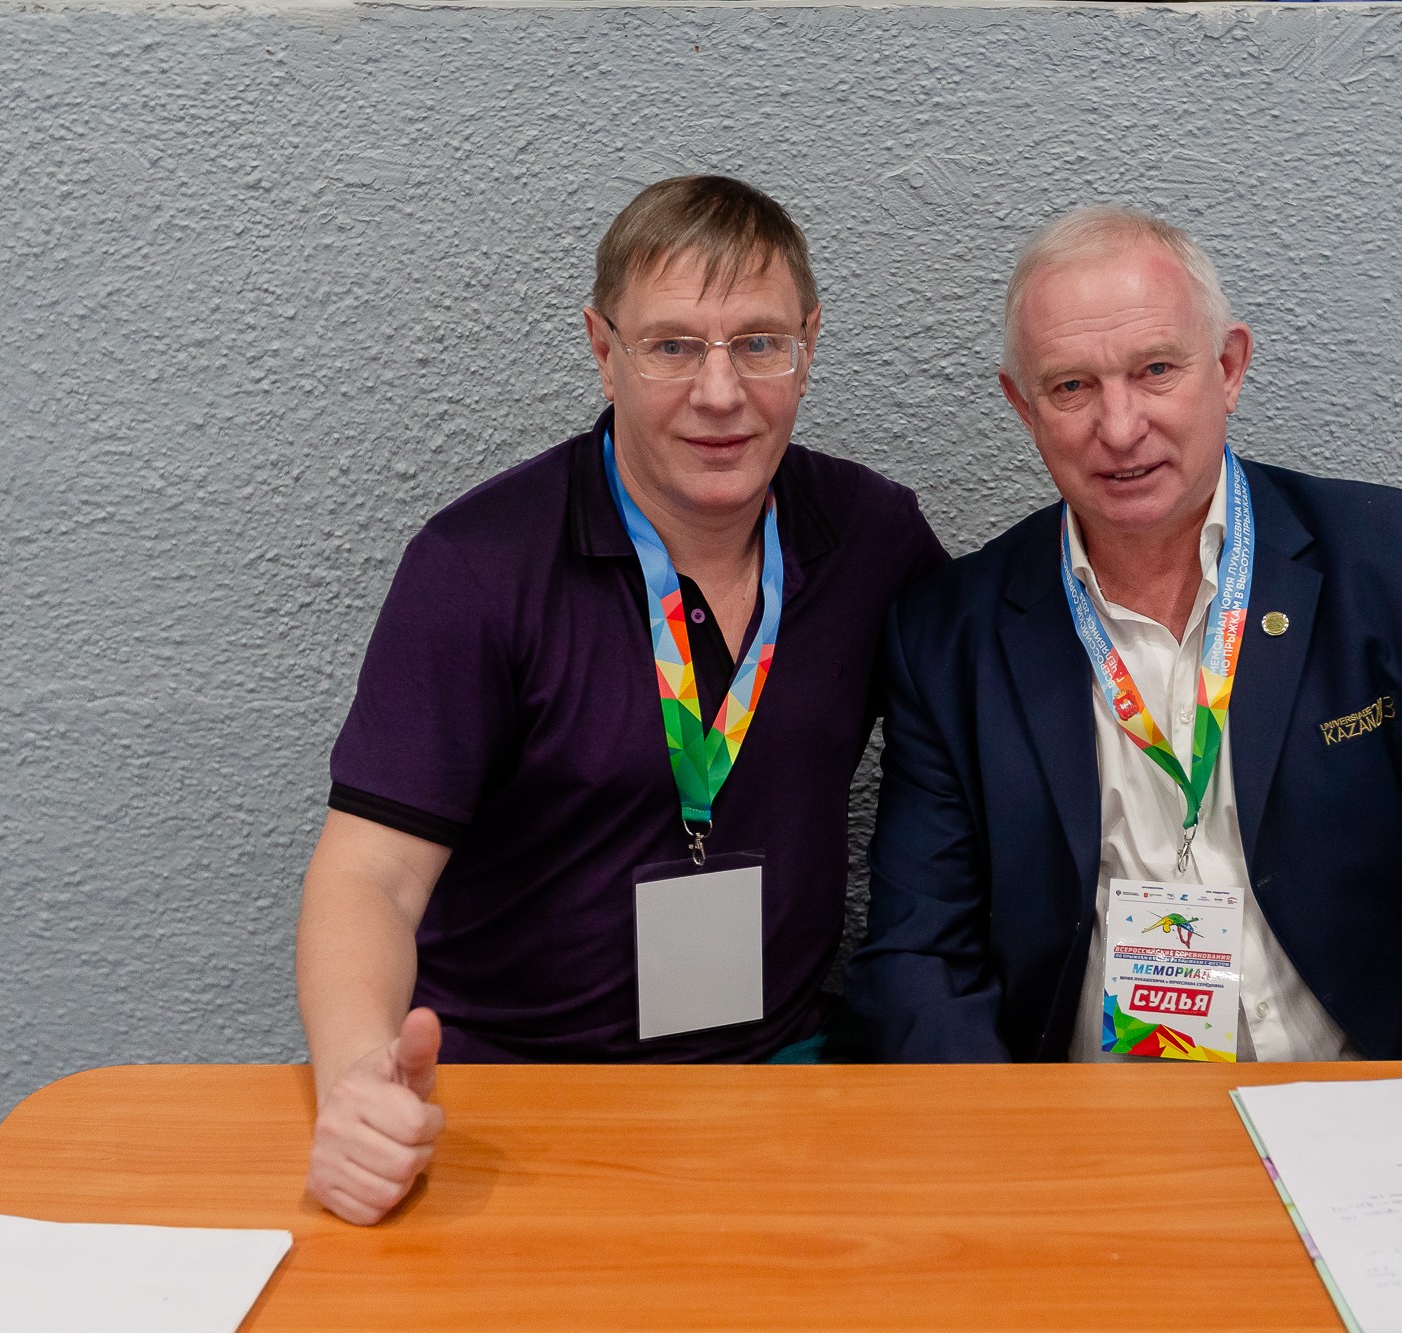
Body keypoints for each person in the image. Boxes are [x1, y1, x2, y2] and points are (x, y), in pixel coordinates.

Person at [846, 206, 1402, 1227]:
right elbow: (921, 950)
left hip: (1378, 1123)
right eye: (1072, 387)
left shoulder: (1394, 566)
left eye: (1156, 370)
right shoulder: (950, 631)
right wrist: (999, 1164)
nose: (1120, 425)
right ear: (1023, 407)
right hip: (1090, 1147)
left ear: (1229, 367)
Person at [297, 175, 946, 1225]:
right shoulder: (478, 567)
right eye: (671, 346)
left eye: (759, 343)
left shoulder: (874, 538)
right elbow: (370, 875)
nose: (720, 392)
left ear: (809, 345)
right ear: (603, 350)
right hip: (519, 1094)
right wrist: (356, 1080)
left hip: (779, 1078)